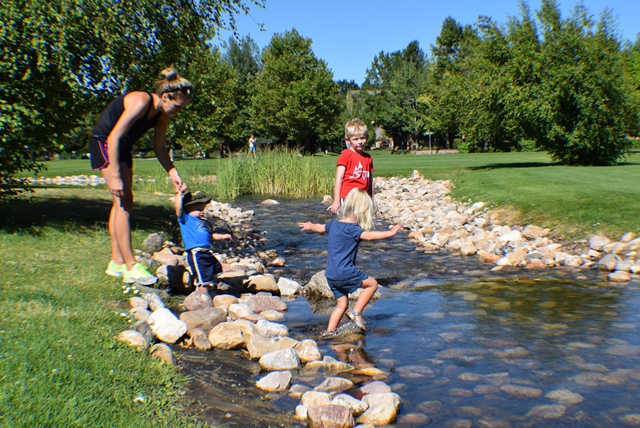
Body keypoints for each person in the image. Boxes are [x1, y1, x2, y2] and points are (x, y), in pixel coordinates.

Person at [90, 67, 192, 285]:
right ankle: (130, 266)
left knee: (124, 202)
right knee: (122, 204)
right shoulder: (140, 101)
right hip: (104, 143)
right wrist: (116, 174)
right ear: (166, 97)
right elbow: (113, 137)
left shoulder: (162, 115)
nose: (178, 111)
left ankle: (116, 261)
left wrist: (173, 172)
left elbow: (160, 147)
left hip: (122, 147)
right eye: (177, 106)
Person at [299, 188, 402, 338]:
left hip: (331, 275)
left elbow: (320, 228)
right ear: (361, 212)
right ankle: (357, 312)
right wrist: (391, 232)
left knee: (341, 305)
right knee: (372, 284)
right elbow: (370, 236)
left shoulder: (334, 224)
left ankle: (329, 332)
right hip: (345, 272)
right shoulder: (353, 229)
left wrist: (310, 225)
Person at [175, 190, 232, 296]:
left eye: (203, 209)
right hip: (197, 253)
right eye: (198, 209)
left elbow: (210, 236)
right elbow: (178, 208)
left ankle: (209, 286)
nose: (202, 212)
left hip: (207, 252)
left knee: (216, 268)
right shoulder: (186, 219)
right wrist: (178, 194)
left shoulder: (202, 222)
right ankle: (204, 297)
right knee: (202, 279)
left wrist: (223, 236)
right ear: (188, 209)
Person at [328, 119, 374, 214]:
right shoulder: (346, 155)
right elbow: (339, 178)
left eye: (362, 138)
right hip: (347, 197)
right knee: (347, 222)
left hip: (363, 197)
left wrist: (371, 200)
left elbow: (370, 181)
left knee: (361, 224)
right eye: (355, 139)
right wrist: (336, 200)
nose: (360, 142)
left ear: (367, 137)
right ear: (348, 140)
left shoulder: (368, 158)